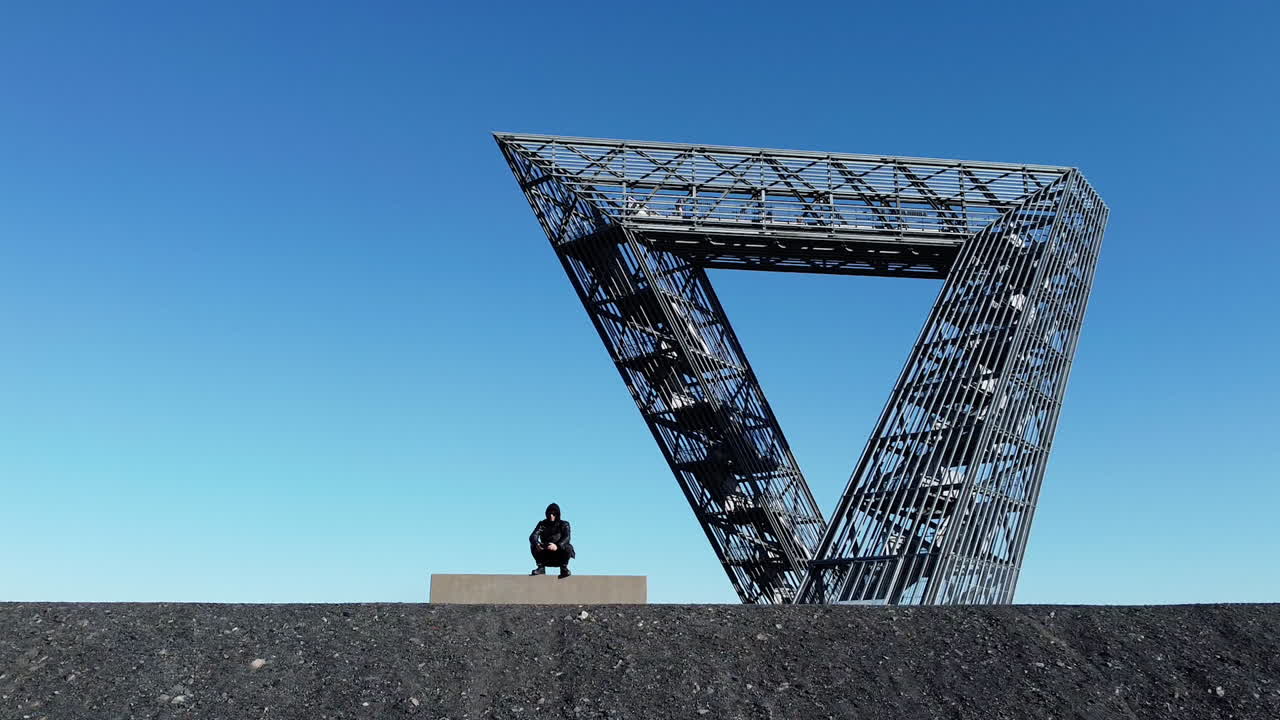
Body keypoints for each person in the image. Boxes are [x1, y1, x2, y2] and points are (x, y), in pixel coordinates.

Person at [529, 502, 575, 578]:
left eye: (554, 514)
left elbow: (567, 537)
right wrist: (536, 543)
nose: (551, 516)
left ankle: (564, 568)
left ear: (557, 514)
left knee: (568, 547)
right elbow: (533, 536)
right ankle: (541, 567)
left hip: (559, 554)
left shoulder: (564, 524)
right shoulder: (542, 524)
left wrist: (557, 546)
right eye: (549, 514)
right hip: (545, 553)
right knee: (533, 545)